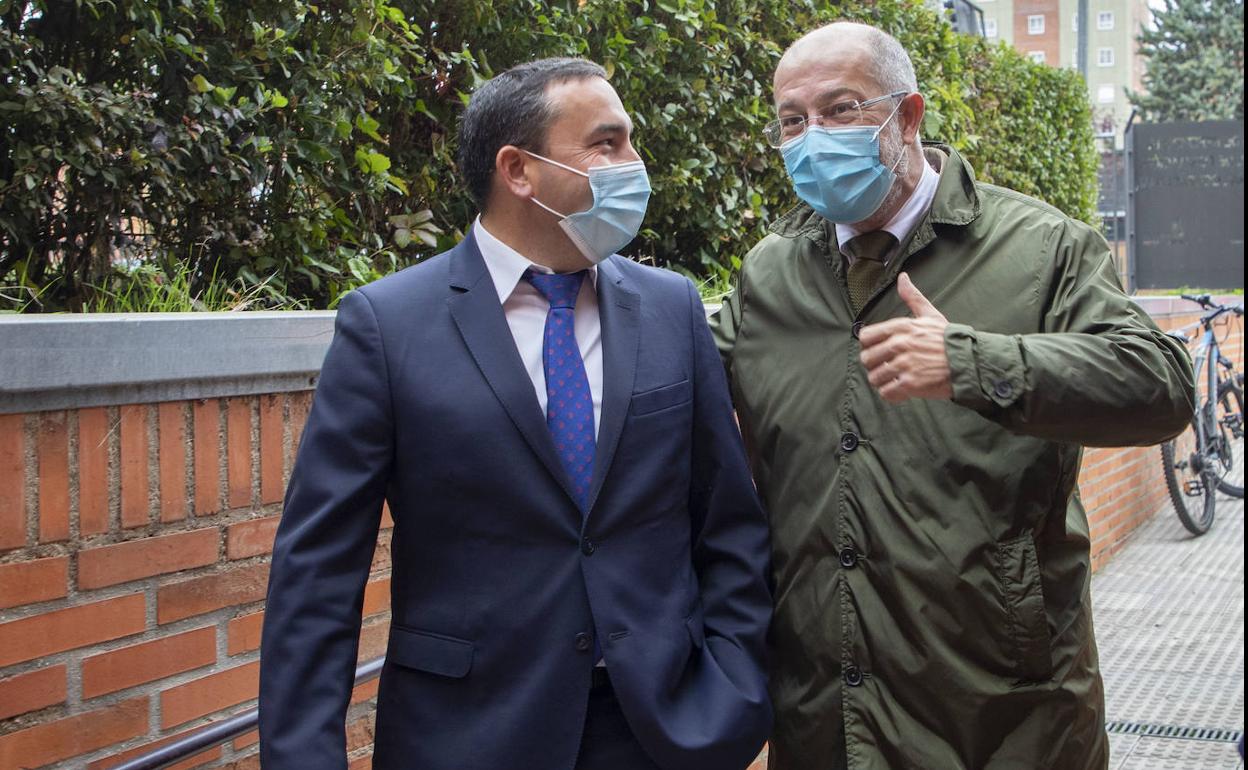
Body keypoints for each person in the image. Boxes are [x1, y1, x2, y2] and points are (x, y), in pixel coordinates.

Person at [259, 58, 773, 770]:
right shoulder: (386, 326)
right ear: (518, 169)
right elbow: (316, 579)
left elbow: (727, 524)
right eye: (607, 143)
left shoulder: (670, 307)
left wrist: (735, 693)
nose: (634, 164)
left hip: (665, 732)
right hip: (468, 737)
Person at [710, 22, 1194, 770]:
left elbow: (1161, 384)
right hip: (826, 721)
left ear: (909, 116)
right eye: (792, 121)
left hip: (1006, 720)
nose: (812, 137)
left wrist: (975, 362)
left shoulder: (1042, 248)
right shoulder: (770, 273)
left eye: (841, 110)